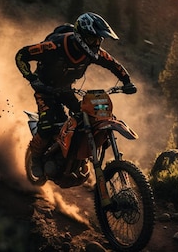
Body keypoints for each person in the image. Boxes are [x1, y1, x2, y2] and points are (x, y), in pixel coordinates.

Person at [15, 12, 137, 178]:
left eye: (98, 40)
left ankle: (76, 156)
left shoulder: (94, 52)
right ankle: (36, 158)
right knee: (48, 123)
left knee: (86, 116)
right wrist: (32, 79)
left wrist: (127, 81)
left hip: (66, 89)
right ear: (81, 35)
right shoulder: (55, 46)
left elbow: (114, 64)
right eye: (93, 39)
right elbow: (22, 55)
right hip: (45, 89)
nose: (96, 44)